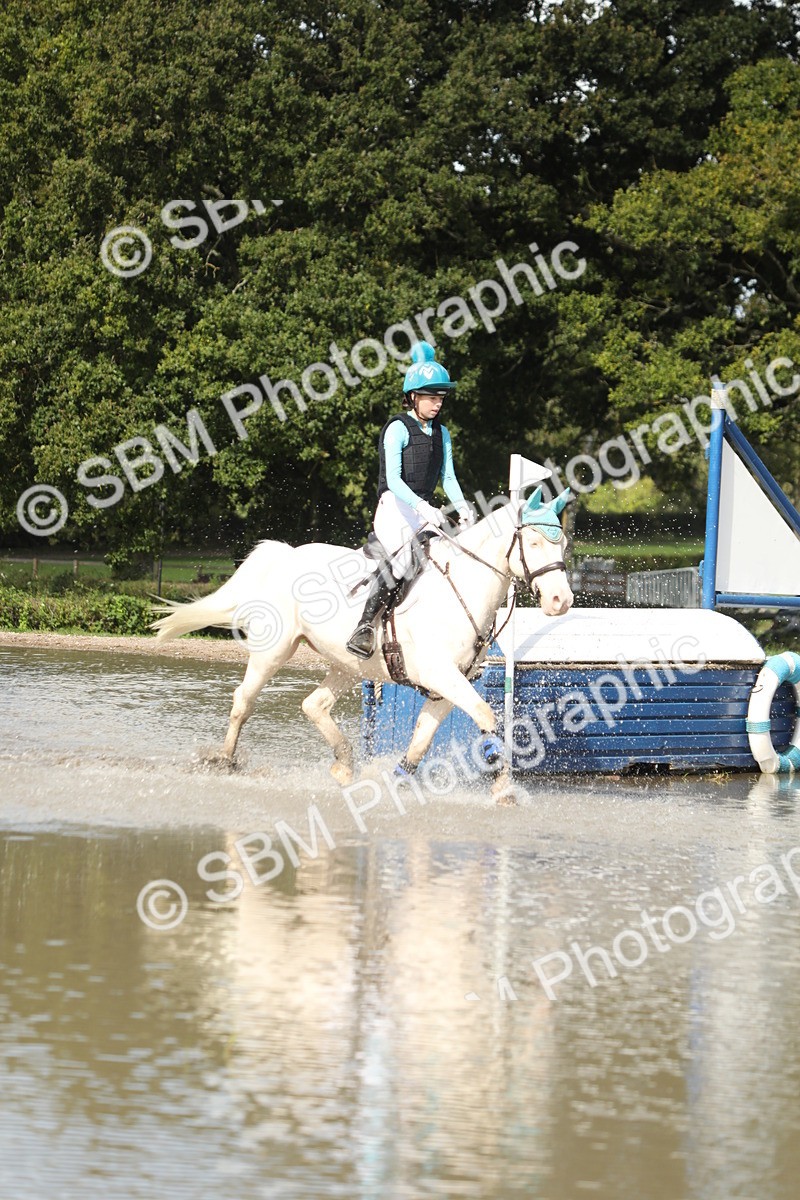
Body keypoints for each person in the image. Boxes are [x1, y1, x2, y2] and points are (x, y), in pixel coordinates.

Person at [346, 341, 473, 659]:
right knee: (404, 559)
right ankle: (363, 627)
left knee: (451, 558)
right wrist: (421, 506)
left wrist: (463, 508)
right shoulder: (397, 429)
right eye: (431, 397)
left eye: (440, 398)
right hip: (395, 509)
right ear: (413, 397)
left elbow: (448, 478)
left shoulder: (442, 434)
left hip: (423, 512)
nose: (437, 404)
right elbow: (394, 480)